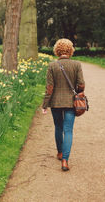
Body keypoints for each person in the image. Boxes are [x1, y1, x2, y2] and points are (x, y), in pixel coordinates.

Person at [39, 38, 85, 171]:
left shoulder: (52, 66)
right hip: (71, 102)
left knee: (58, 127)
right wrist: (78, 92)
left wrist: (44, 105)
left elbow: (49, 88)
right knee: (68, 130)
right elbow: (81, 84)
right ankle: (65, 160)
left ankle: (59, 152)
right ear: (71, 50)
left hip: (55, 102)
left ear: (57, 51)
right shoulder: (76, 64)